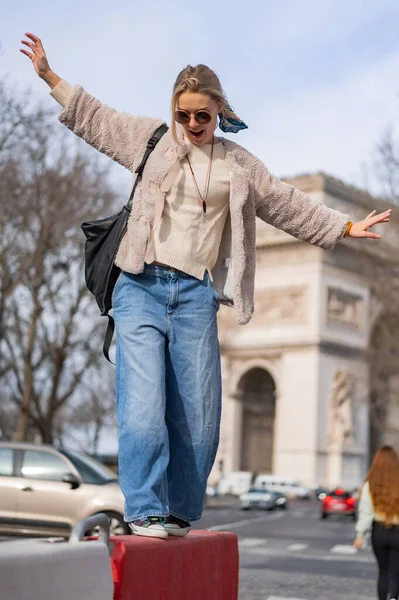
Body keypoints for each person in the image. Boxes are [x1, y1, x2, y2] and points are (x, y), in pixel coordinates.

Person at [21, 32, 391, 540]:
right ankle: (145, 508)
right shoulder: (150, 141)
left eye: (203, 116)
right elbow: (97, 119)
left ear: (219, 113)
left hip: (195, 297)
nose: (192, 125)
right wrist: (50, 78)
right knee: (144, 409)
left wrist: (346, 227)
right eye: (184, 115)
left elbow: (286, 203)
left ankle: (178, 511)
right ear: (172, 111)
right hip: (140, 287)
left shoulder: (239, 165)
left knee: (198, 418)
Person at [354, 446, 399, 600]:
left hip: (379, 531)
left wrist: (360, 534)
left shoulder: (370, 485)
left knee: (383, 571)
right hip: (398, 532)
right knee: (395, 571)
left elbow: (366, 512)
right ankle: (393, 597)